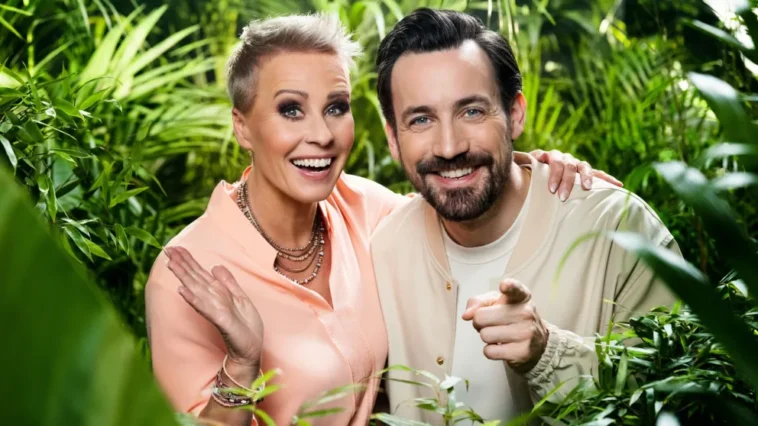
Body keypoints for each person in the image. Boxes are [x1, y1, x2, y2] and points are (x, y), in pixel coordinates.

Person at [145, 13, 620, 426]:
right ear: (242, 126)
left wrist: (534, 169)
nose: (321, 134)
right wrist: (242, 364)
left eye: (336, 107)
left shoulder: (370, 211)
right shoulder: (184, 274)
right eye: (291, 110)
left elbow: (457, 184)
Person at [370, 8, 681, 424]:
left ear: (514, 114)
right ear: (393, 138)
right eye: (421, 119)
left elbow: (679, 396)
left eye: (472, 111)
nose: (448, 147)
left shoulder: (620, 230)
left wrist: (547, 352)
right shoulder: (384, 246)